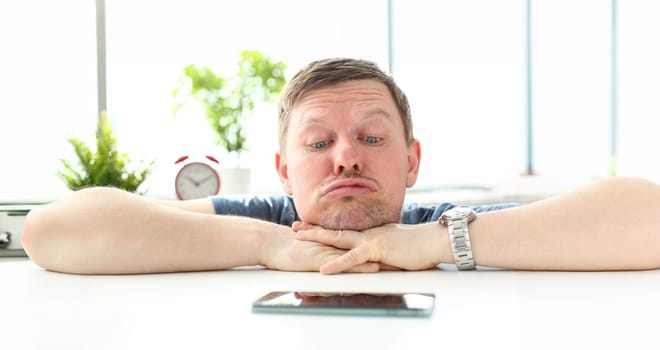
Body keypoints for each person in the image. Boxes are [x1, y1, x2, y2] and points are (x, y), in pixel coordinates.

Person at [22, 58, 660, 275]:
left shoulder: (442, 221)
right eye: (319, 143)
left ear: (412, 163)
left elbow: (647, 216)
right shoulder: (264, 218)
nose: (347, 155)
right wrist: (265, 245)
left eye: (372, 138)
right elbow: (52, 231)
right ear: (282, 170)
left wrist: (437, 241)